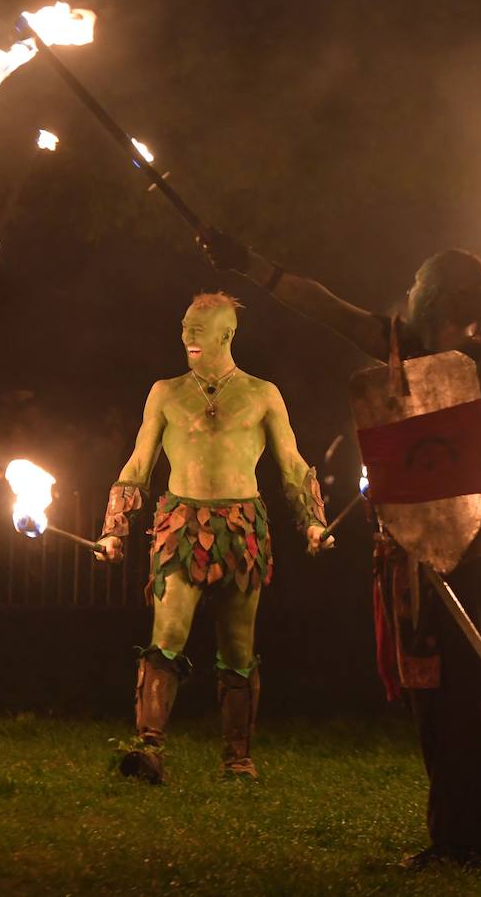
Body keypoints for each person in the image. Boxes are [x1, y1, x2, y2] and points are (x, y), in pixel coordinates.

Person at [201, 231, 481, 865]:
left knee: (462, 702)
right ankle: (461, 835)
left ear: (433, 297)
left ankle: (467, 840)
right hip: (424, 555)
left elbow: (478, 474)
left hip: (469, 553)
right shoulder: (421, 351)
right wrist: (252, 263)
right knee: (438, 698)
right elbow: (328, 308)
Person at [95, 291, 330, 783]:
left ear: (228, 334)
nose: (188, 336)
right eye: (184, 327)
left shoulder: (263, 393)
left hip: (242, 528)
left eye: (199, 329)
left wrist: (312, 520)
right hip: (181, 524)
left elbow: (291, 465)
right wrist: (114, 527)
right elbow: (138, 464)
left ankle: (237, 757)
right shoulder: (165, 391)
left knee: (239, 648)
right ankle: (147, 748)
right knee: (166, 636)